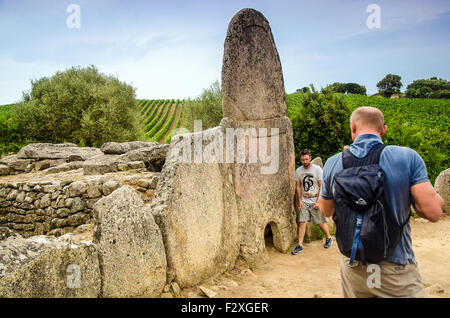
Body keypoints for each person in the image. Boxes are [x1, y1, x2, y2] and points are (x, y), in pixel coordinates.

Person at [318, 106, 444, 298]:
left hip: (353, 266)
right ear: (383, 129)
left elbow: (326, 210)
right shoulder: (407, 157)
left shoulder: (333, 163)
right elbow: (433, 212)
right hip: (396, 267)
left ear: (352, 128)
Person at [291, 149, 333, 255]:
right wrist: (299, 200)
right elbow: (298, 186)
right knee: (302, 222)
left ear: (310, 158)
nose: (305, 161)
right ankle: (300, 245)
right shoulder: (299, 171)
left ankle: (328, 237)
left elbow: (321, 186)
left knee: (320, 222)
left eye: (306, 159)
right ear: (300, 159)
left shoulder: (317, 169)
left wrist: (319, 201)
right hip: (304, 200)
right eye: (303, 160)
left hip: (315, 200)